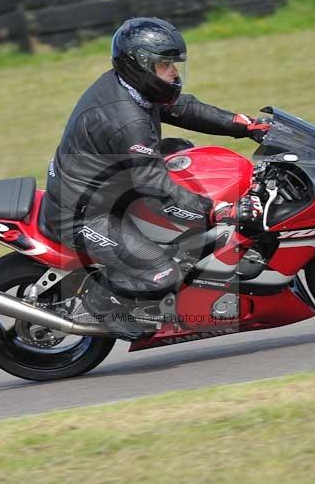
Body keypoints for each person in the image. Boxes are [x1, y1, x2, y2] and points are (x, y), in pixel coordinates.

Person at [42, 17, 270, 341]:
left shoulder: (131, 88)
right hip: (83, 216)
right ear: (141, 66)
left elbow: (184, 109)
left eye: (174, 65)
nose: (174, 73)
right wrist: (218, 210)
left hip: (110, 189)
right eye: (166, 65)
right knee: (164, 273)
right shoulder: (126, 121)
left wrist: (245, 125)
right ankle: (101, 299)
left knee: (186, 155)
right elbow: (155, 189)